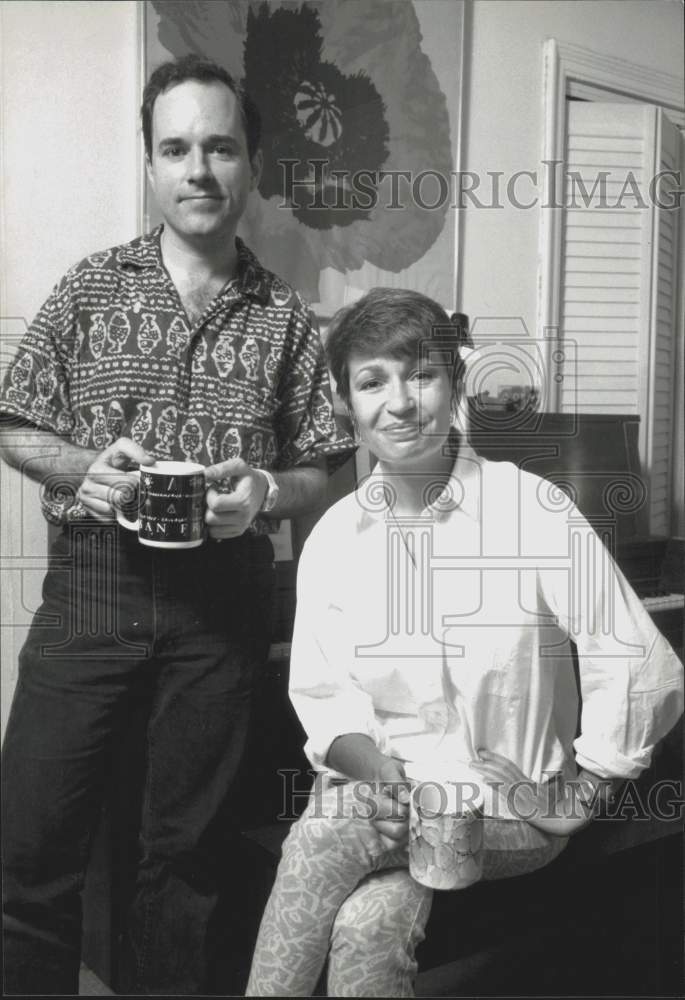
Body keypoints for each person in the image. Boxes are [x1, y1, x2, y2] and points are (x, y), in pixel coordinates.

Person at [0, 55, 353, 995]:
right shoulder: (89, 288)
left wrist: (266, 497)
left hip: (220, 610)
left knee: (186, 865)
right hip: (91, 593)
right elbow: (13, 422)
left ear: (251, 164)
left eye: (221, 147)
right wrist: (86, 470)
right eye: (178, 148)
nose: (199, 169)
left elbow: (323, 461)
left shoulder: (285, 317)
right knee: (31, 853)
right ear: (152, 165)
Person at [246, 287, 683, 997]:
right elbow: (325, 702)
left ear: (453, 384)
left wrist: (580, 793)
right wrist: (382, 779)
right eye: (371, 381)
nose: (399, 402)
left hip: (505, 815)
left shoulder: (532, 510)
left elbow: (640, 661)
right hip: (382, 798)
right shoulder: (334, 538)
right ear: (344, 402)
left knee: (327, 829)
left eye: (421, 374)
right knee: (366, 922)